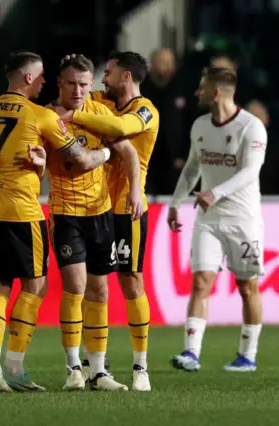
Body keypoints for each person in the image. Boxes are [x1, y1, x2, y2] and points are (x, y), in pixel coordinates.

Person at [0, 51, 112, 393]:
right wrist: (107, 153)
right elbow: (79, 159)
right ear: (26, 78)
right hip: (22, 212)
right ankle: (15, 368)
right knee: (36, 287)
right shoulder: (41, 116)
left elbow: (9, 156)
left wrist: (38, 165)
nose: (43, 83)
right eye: (39, 78)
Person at [55, 51, 159, 387]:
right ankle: (93, 361)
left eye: (109, 73)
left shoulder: (145, 110)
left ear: (126, 77)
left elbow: (118, 129)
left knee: (131, 281)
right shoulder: (100, 100)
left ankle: (140, 367)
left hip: (128, 207)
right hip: (94, 206)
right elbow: (72, 93)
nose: (101, 81)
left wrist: (74, 115)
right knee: (88, 286)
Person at [168, 67, 267, 372]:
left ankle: (248, 355)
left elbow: (251, 171)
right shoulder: (199, 125)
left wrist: (215, 192)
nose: (196, 92)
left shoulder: (251, 127)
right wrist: (175, 202)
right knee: (200, 282)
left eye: (201, 87)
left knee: (247, 286)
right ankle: (191, 353)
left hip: (243, 220)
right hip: (209, 220)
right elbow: (192, 168)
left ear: (216, 93)